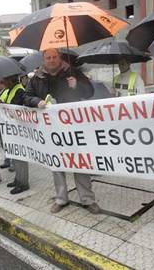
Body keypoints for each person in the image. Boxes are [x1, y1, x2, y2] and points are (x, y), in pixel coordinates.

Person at [24, 48, 101, 214]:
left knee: (79, 161)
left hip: (73, 126)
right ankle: (61, 198)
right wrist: (36, 101)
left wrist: (77, 85)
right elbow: (26, 96)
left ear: (59, 58)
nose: (51, 60)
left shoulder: (72, 72)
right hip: (50, 129)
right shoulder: (37, 77)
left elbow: (89, 92)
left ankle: (87, 199)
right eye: (48, 57)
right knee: (57, 162)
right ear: (43, 59)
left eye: (54, 57)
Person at [1, 75, 29, 194]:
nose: (3, 82)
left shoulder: (19, 91)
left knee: (20, 158)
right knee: (16, 156)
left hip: (19, 130)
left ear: (11, 80)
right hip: (13, 130)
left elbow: (16, 108)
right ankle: (18, 180)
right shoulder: (11, 90)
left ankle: (23, 184)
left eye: (4, 79)